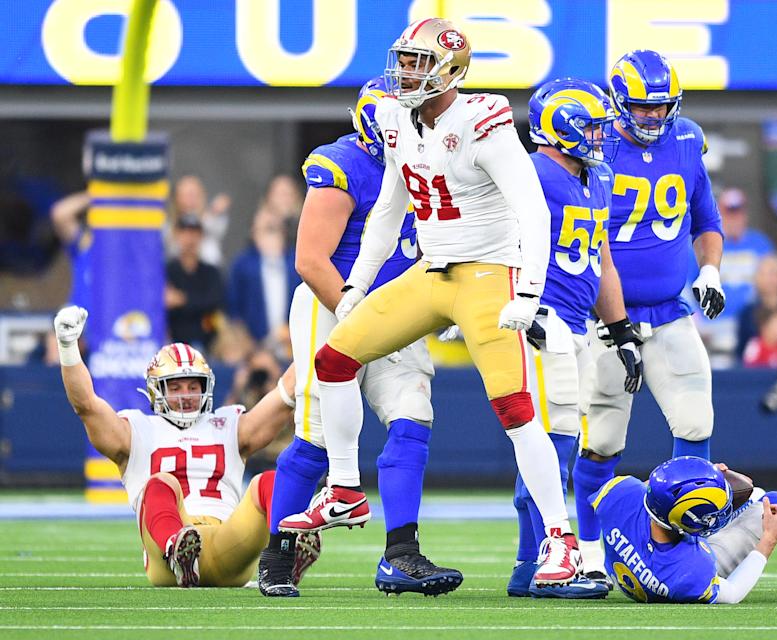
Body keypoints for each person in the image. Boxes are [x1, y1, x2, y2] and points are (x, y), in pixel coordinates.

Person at [286, 17, 581, 587]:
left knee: (515, 409)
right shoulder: (395, 118)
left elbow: (533, 211)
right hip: (431, 272)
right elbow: (389, 211)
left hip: (489, 273)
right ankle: (345, 487)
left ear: (450, 71)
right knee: (334, 360)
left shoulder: (483, 121)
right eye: (405, 59)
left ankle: (560, 540)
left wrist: (527, 291)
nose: (407, 71)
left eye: (420, 62)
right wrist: (356, 287)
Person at [258, 78, 456, 597]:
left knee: (413, 420)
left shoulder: (433, 156)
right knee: (316, 433)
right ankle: (276, 553)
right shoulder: (343, 164)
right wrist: (355, 315)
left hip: (398, 305)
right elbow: (309, 260)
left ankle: (401, 553)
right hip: (334, 305)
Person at [572, 49, 726, 579]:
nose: (654, 118)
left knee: (695, 421)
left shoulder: (687, 140)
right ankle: (589, 555)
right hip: (606, 319)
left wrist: (709, 271)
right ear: (618, 103)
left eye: (662, 108)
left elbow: (706, 219)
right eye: (642, 108)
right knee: (604, 438)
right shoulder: (594, 145)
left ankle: (689, 540)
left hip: (670, 311)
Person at [52, 305, 319, 588]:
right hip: (164, 559)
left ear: (207, 386)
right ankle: (177, 547)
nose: (186, 396)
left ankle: (287, 546)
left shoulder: (229, 425)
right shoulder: (135, 429)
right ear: (157, 390)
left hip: (226, 542)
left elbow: (287, 392)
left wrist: (319, 335)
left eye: (193, 386)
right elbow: (86, 405)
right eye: (175, 387)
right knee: (160, 484)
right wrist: (68, 347)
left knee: (269, 481)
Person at [507, 78, 641, 599]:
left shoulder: (597, 176)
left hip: (579, 323)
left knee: (557, 440)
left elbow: (600, 257)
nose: (600, 135)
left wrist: (620, 328)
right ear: (559, 125)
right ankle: (546, 564)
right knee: (551, 440)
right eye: (590, 125)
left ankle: (530, 563)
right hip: (539, 317)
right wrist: (520, 304)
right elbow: (494, 241)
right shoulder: (528, 173)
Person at [590, 456, 777, 604]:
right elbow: (733, 593)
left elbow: (655, 490)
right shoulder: (692, 569)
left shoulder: (622, 492)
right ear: (686, 523)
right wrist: (769, 540)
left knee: (753, 494)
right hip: (674, 563)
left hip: (645, 555)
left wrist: (700, 476)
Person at [227, 208, 299, 345]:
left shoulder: (297, 261)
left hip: (291, 344)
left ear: (283, 232)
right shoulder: (242, 264)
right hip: (252, 346)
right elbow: (233, 309)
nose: (270, 236)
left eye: (273, 229)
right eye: (265, 230)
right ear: (253, 234)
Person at [713, 188, 774, 320]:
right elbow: (689, 284)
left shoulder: (760, 243)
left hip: (754, 320)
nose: (734, 220)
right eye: (729, 214)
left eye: (738, 214)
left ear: (745, 215)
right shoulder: (707, 244)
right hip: (715, 322)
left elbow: (775, 280)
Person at [165, 214, 225, 350]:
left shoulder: (211, 272)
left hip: (207, 341)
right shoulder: (166, 271)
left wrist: (182, 300)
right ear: (176, 235)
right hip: (172, 344)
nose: (190, 239)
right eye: (185, 233)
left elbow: (214, 301)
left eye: (194, 234)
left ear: (201, 237)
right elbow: (165, 304)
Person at [735, 253, 777, 361]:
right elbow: (741, 351)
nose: (768, 279)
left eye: (773, 274)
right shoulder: (747, 314)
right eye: (763, 274)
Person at [172, 175, 231, 268]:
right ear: (177, 197)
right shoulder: (168, 227)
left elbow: (217, 225)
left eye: (193, 194)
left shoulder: (211, 221)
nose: (190, 199)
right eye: (186, 195)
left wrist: (215, 212)